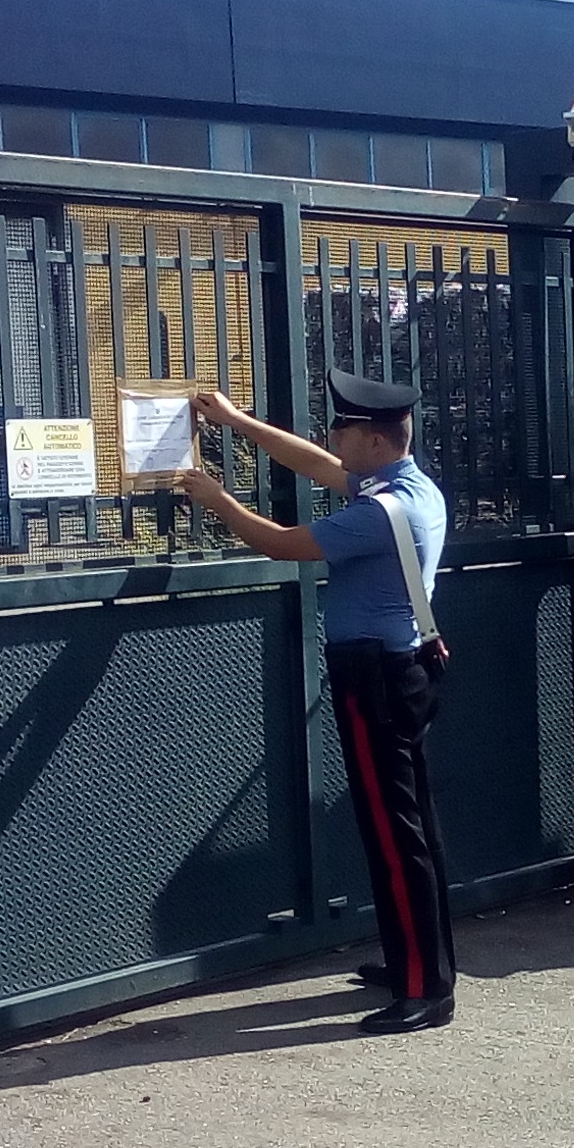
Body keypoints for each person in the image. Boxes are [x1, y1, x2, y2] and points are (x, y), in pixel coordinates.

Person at [175, 374, 455, 1035]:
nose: (333, 438)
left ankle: (425, 990)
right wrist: (236, 421)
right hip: (403, 670)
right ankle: (419, 962)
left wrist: (217, 499)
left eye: (344, 430)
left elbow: (281, 544)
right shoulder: (408, 487)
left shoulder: (378, 513)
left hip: (377, 679)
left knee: (395, 836)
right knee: (410, 828)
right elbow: (314, 463)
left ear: (376, 442)